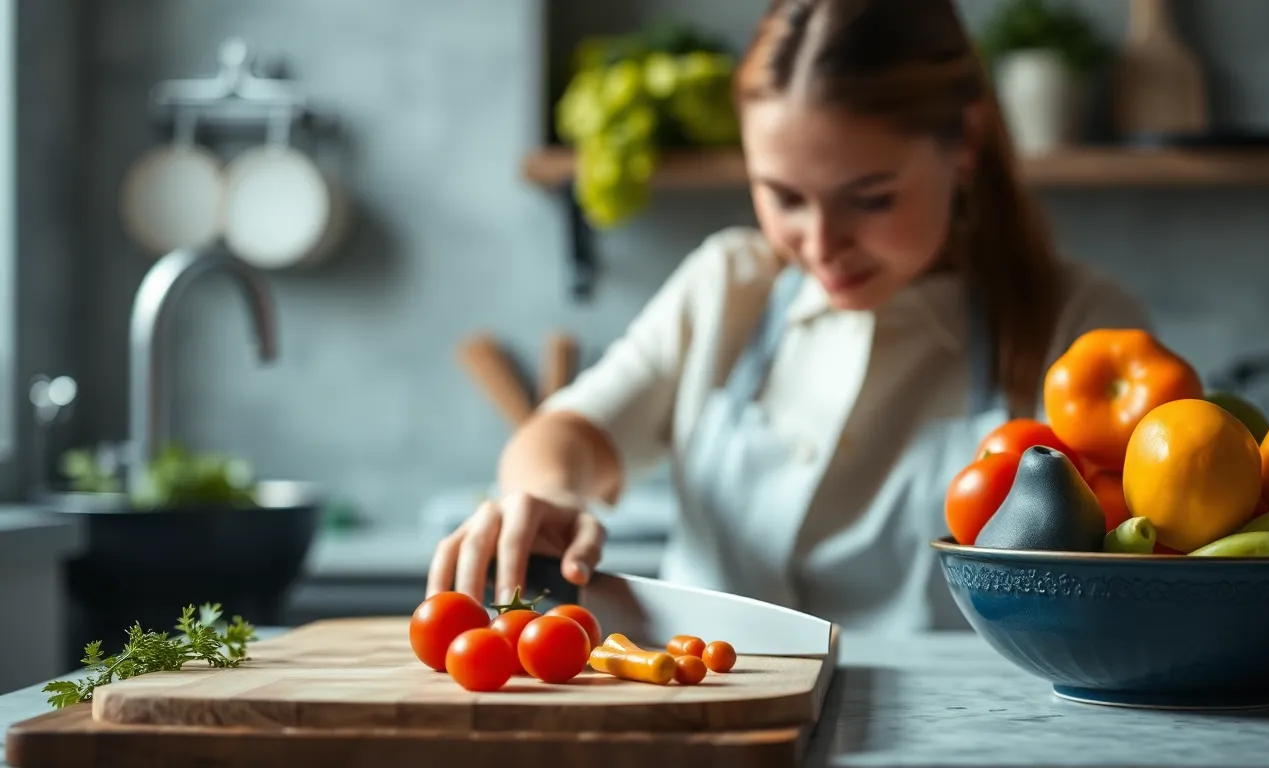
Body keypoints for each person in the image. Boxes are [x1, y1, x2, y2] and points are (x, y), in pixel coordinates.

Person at [426, 0, 1151, 634]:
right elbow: (568, 434)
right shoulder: (726, 285)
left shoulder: (1084, 330)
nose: (821, 244)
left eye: (870, 198)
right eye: (784, 196)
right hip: (702, 710)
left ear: (964, 141)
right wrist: (547, 495)